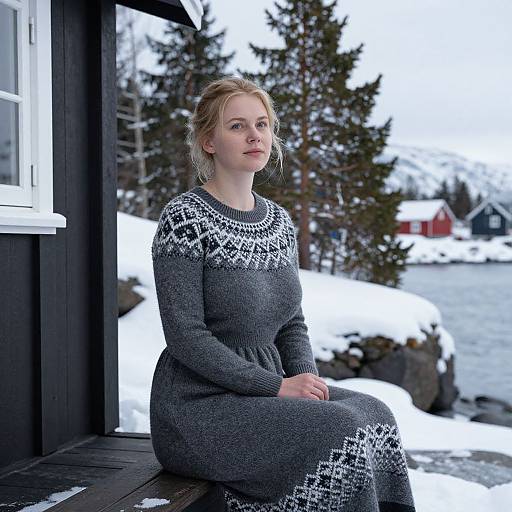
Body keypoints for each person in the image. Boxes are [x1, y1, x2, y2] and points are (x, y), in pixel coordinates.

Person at [150, 76, 416, 511]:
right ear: (209, 141)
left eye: (262, 124)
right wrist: (276, 387)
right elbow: (186, 337)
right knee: (340, 430)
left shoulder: (277, 221)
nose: (255, 135)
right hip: (198, 407)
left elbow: (291, 322)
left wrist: (306, 383)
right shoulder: (184, 218)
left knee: (376, 415)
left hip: (270, 393)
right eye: (237, 126)